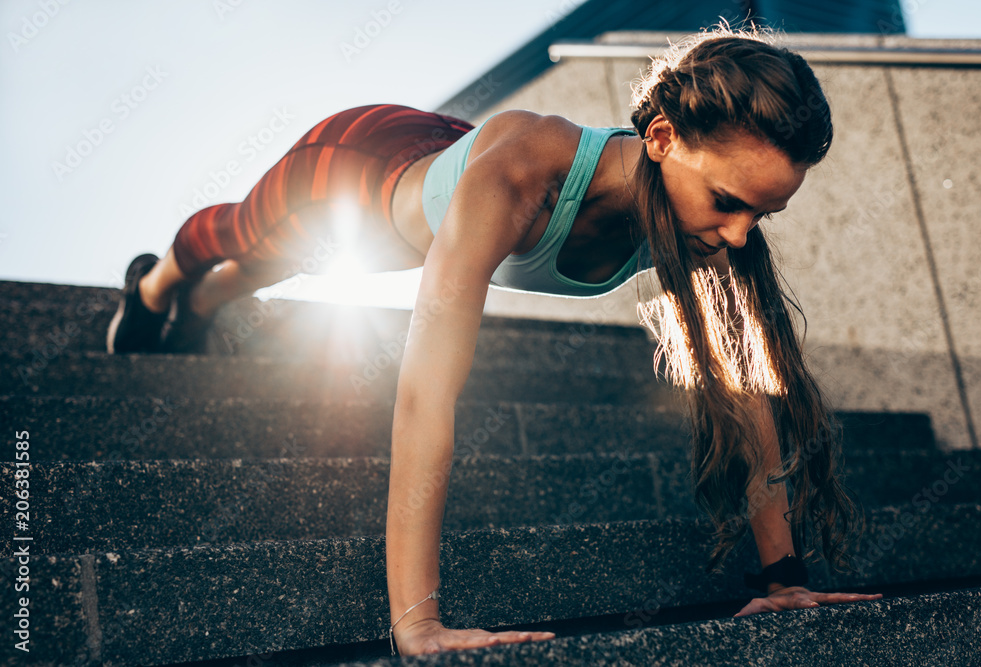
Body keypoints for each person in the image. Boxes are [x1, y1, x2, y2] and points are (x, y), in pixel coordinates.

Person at [106, 24, 883, 657]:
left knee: (256, 271)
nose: (740, 233)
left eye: (762, 215)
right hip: (352, 167)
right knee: (245, 237)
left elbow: (743, 390)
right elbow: (426, 391)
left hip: (443, 154)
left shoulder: (696, 223)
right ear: (663, 139)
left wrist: (784, 578)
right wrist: (417, 620)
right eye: (728, 201)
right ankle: (154, 288)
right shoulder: (523, 174)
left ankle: (201, 302)